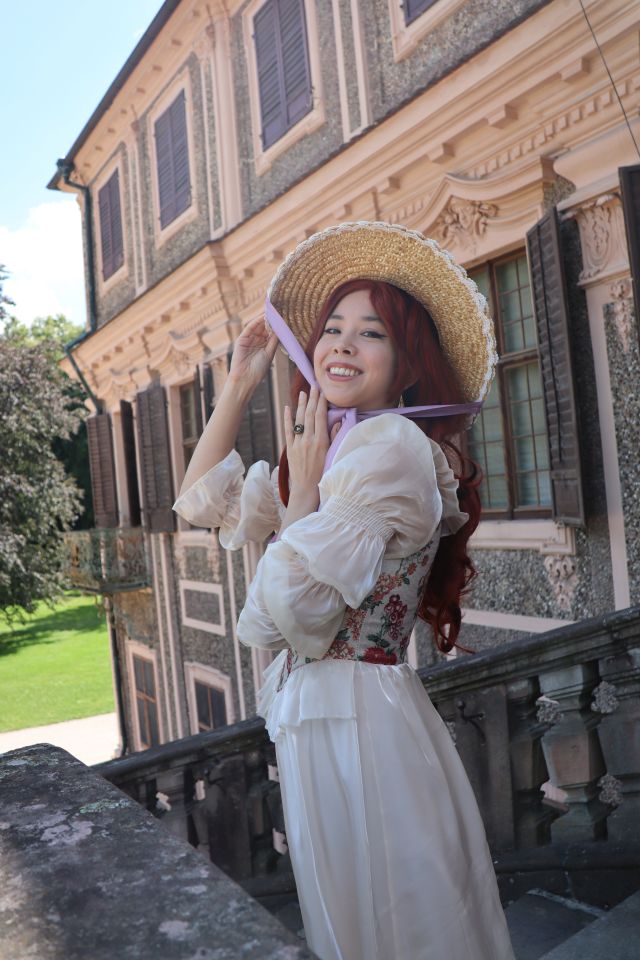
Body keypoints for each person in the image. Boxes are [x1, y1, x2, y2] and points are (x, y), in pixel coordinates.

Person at [173, 222, 516, 960]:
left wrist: (297, 511)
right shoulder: (336, 444)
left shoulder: (387, 447)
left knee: (390, 924)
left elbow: (285, 618)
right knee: (358, 924)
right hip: (330, 719)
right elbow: (202, 501)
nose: (341, 345)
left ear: (407, 364)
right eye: (332, 329)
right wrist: (241, 378)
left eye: (371, 334)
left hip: (357, 721)